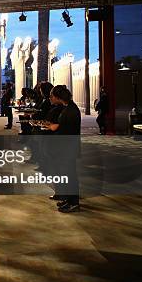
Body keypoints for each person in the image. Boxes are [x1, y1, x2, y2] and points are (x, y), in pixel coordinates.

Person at [47, 85, 81, 213]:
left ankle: (74, 202)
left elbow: (69, 131)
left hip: (68, 148)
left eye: (52, 96)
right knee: (67, 174)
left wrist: (55, 128)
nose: (51, 98)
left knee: (70, 175)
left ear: (57, 97)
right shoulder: (68, 107)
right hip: (66, 147)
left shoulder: (71, 110)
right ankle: (69, 200)